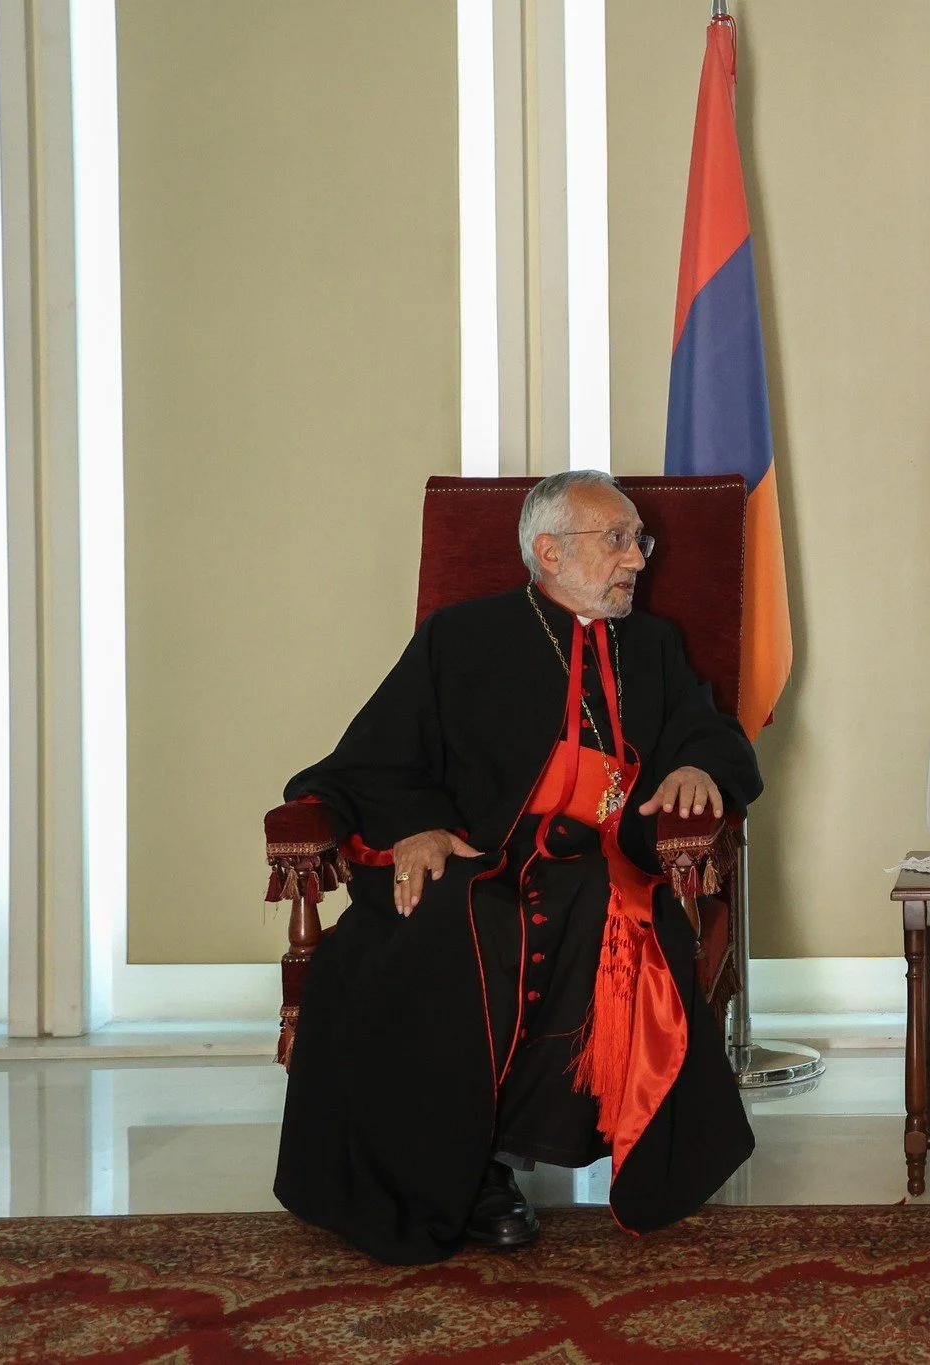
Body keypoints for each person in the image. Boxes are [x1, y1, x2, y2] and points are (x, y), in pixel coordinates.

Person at [274, 469, 762, 1264]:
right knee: (459, 920)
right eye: (618, 540)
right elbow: (368, 760)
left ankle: (519, 1151)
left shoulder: (655, 645)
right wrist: (418, 827)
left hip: (599, 864)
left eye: (641, 540)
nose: (638, 558)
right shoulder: (461, 638)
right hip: (481, 857)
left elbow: (710, 733)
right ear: (548, 551)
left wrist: (698, 768)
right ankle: (469, 1172)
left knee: (585, 900)